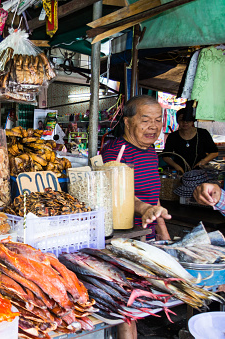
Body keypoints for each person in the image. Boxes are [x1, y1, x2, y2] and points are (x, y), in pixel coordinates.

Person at [102, 95, 172, 339]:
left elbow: (153, 197)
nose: (153, 126)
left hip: (146, 236)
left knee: (142, 299)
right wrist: (143, 210)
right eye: (145, 120)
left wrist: (163, 231)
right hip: (122, 239)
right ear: (128, 121)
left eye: (157, 120)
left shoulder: (150, 150)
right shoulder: (117, 152)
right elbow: (114, 194)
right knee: (126, 305)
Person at [163, 106, 218, 174]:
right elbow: (166, 156)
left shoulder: (202, 133)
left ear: (192, 121)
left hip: (200, 171)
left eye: (188, 120)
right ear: (177, 121)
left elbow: (214, 152)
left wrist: (201, 163)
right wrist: (177, 167)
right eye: (181, 120)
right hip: (180, 172)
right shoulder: (173, 136)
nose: (185, 122)